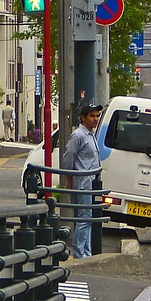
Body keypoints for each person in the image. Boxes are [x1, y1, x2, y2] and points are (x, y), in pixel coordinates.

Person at [62, 104, 103, 258]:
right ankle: (80, 253)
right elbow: (69, 157)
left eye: (97, 116)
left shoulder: (90, 134)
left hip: (91, 182)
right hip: (83, 182)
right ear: (83, 118)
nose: (96, 119)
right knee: (84, 217)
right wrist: (69, 178)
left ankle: (87, 251)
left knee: (88, 217)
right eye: (92, 116)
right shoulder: (78, 135)